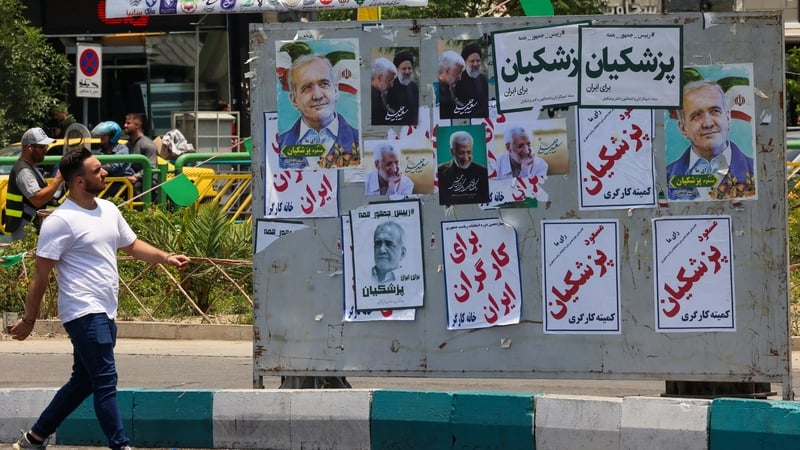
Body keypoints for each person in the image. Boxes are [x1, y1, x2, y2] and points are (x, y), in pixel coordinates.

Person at [9, 148, 190, 450]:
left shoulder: (108, 209)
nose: (104, 173)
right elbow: (40, 277)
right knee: (105, 380)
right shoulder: (60, 221)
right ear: (78, 181)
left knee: (84, 380)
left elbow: (131, 245)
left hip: (106, 310)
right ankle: (120, 445)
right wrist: (30, 319)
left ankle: (35, 438)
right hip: (82, 311)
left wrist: (166, 257)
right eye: (97, 171)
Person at [666, 79, 756, 200]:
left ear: (728, 118)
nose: (708, 124)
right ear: (683, 128)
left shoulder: (756, 171)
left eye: (715, 111)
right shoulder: (664, 178)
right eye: (696, 115)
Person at [277, 54, 360, 169]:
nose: (317, 95)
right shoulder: (278, 147)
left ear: (336, 90)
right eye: (307, 88)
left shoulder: (359, 141)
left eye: (324, 84)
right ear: (294, 100)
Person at [3, 127, 64, 241]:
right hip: (25, 230)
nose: (45, 150)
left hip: (30, 227)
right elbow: (37, 199)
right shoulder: (24, 171)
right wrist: (58, 180)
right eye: (42, 147)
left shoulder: (31, 168)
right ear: (29, 147)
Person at [437, 130, 490, 205]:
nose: (466, 158)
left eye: (469, 152)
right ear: (452, 152)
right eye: (461, 153)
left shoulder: (483, 172)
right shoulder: (440, 171)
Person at [92, 121, 133, 198]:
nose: (101, 138)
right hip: (108, 181)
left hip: (122, 183)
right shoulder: (101, 151)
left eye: (104, 135)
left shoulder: (122, 149)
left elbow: (114, 167)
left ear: (112, 136)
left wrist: (96, 168)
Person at [122, 113, 159, 200]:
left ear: (137, 125)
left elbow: (152, 166)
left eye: (128, 123)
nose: (125, 126)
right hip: (130, 180)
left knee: (136, 186)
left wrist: (136, 176)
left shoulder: (147, 144)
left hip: (147, 183)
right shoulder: (127, 145)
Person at [453, 43, 490, 119]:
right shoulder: (458, 81)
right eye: (472, 61)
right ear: (465, 62)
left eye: (478, 60)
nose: (476, 64)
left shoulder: (483, 80)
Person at [386, 50, 419, 125]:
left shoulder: (414, 87)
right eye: (404, 69)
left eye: (409, 68)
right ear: (397, 70)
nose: (407, 72)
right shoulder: (390, 88)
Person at [437, 50, 465, 120]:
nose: (460, 78)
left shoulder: (451, 87)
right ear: (447, 71)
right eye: (458, 73)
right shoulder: (435, 92)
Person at [370, 57, 398, 126]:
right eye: (389, 80)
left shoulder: (380, 94)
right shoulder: (372, 100)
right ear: (379, 77)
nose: (391, 85)